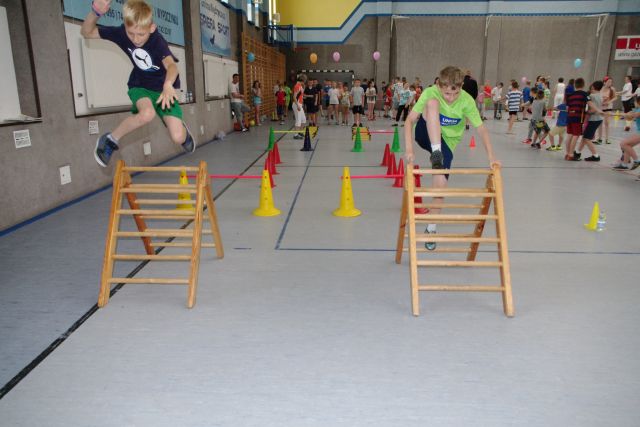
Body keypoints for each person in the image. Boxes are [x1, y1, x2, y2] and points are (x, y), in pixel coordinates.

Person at [82, 0, 196, 167]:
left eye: (141, 34)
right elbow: (87, 32)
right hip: (140, 85)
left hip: (164, 90)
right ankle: (110, 140)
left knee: (178, 137)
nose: (135, 39)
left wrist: (168, 85)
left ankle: (183, 132)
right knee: (147, 114)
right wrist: (95, 13)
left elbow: (172, 66)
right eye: (131, 33)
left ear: (152, 28)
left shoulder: (157, 41)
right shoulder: (121, 33)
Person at [404, 66, 498, 250]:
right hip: (424, 133)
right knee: (432, 103)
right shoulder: (431, 92)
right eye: (446, 93)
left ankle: (431, 228)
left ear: (461, 87)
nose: (450, 98)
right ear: (439, 86)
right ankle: (436, 152)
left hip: (447, 143)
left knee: (441, 185)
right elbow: (409, 120)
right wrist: (409, 149)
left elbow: (481, 129)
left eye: (455, 94)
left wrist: (491, 157)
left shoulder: (467, 100)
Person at [573, 80, 606, 162]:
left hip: (593, 119)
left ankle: (596, 156)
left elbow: (593, 110)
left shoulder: (592, 96)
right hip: (598, 119)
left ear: (593, 86)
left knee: (587, 138)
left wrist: (586, 112)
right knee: (585, 137)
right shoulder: (600, 95)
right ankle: (577, 152)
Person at [612, 96, 640, 172]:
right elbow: (630, 116)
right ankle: (624, 164)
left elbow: (633, 115)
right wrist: (625, 114)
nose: (634, 103)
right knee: (628, 145)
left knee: (623, 144)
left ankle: (637, 160)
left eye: (635, 101)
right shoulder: (637, 109)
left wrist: (626, 115)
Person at [564, 78, 589, 161]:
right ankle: (571, 154)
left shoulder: (570, 95)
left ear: (575, 85)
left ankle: (567, 153)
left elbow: (567, 107)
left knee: (569, 135)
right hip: (578, 117)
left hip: (569, 116)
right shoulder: (584, 94)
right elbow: (589, 104)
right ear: (583, 85)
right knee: (576, 135)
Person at [596, 76, 616, 145]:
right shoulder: (600, 89)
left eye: (611, 82)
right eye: (608, 82)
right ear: (604, 82)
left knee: (607, 122)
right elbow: (597, 97)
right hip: (601, 107)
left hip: (608, 107)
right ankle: (600, 138)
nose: (610, 83)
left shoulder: (612, 89)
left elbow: (615, 97)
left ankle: (607, 138)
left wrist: (609, 102)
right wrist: (602, 100)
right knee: (600, 123)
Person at [292, 74, 307, 139]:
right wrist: (298, 105)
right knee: (298, 120)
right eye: (305, 80)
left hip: (300, 104)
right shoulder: (297, 86)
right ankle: (296, 135)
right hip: (297, 104)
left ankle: (299, 132)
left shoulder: (300, 85)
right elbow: (294, 97)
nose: (305, 82)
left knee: (303, 120)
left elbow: (301, 94)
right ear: (303, 80)